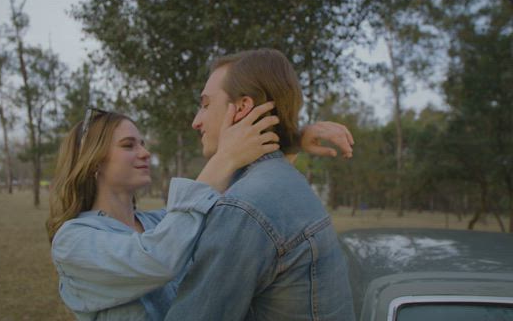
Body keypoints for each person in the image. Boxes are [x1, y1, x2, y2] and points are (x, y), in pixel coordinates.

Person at [48, 105, 353, 320]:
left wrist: (292, 140)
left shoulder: (160, 222)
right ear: (95, 161)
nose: (145, 152)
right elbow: (156, 259)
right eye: (129, 145)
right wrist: (225, 157)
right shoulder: (73, 241)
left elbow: (236, 200)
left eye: (143, 143)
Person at [164, 49, 355, 320]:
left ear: (241, 108)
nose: (197, 121)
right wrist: (293, 138)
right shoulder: (282, 180)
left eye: (205, 105)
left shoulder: (245, 207)